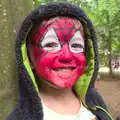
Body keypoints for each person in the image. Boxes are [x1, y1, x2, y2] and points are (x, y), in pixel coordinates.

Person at [7, 2, 113, 120]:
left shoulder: (95, 101)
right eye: (51, 44)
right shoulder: (20, 117)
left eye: (76, 45)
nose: (66, 56)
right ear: (29, 59)